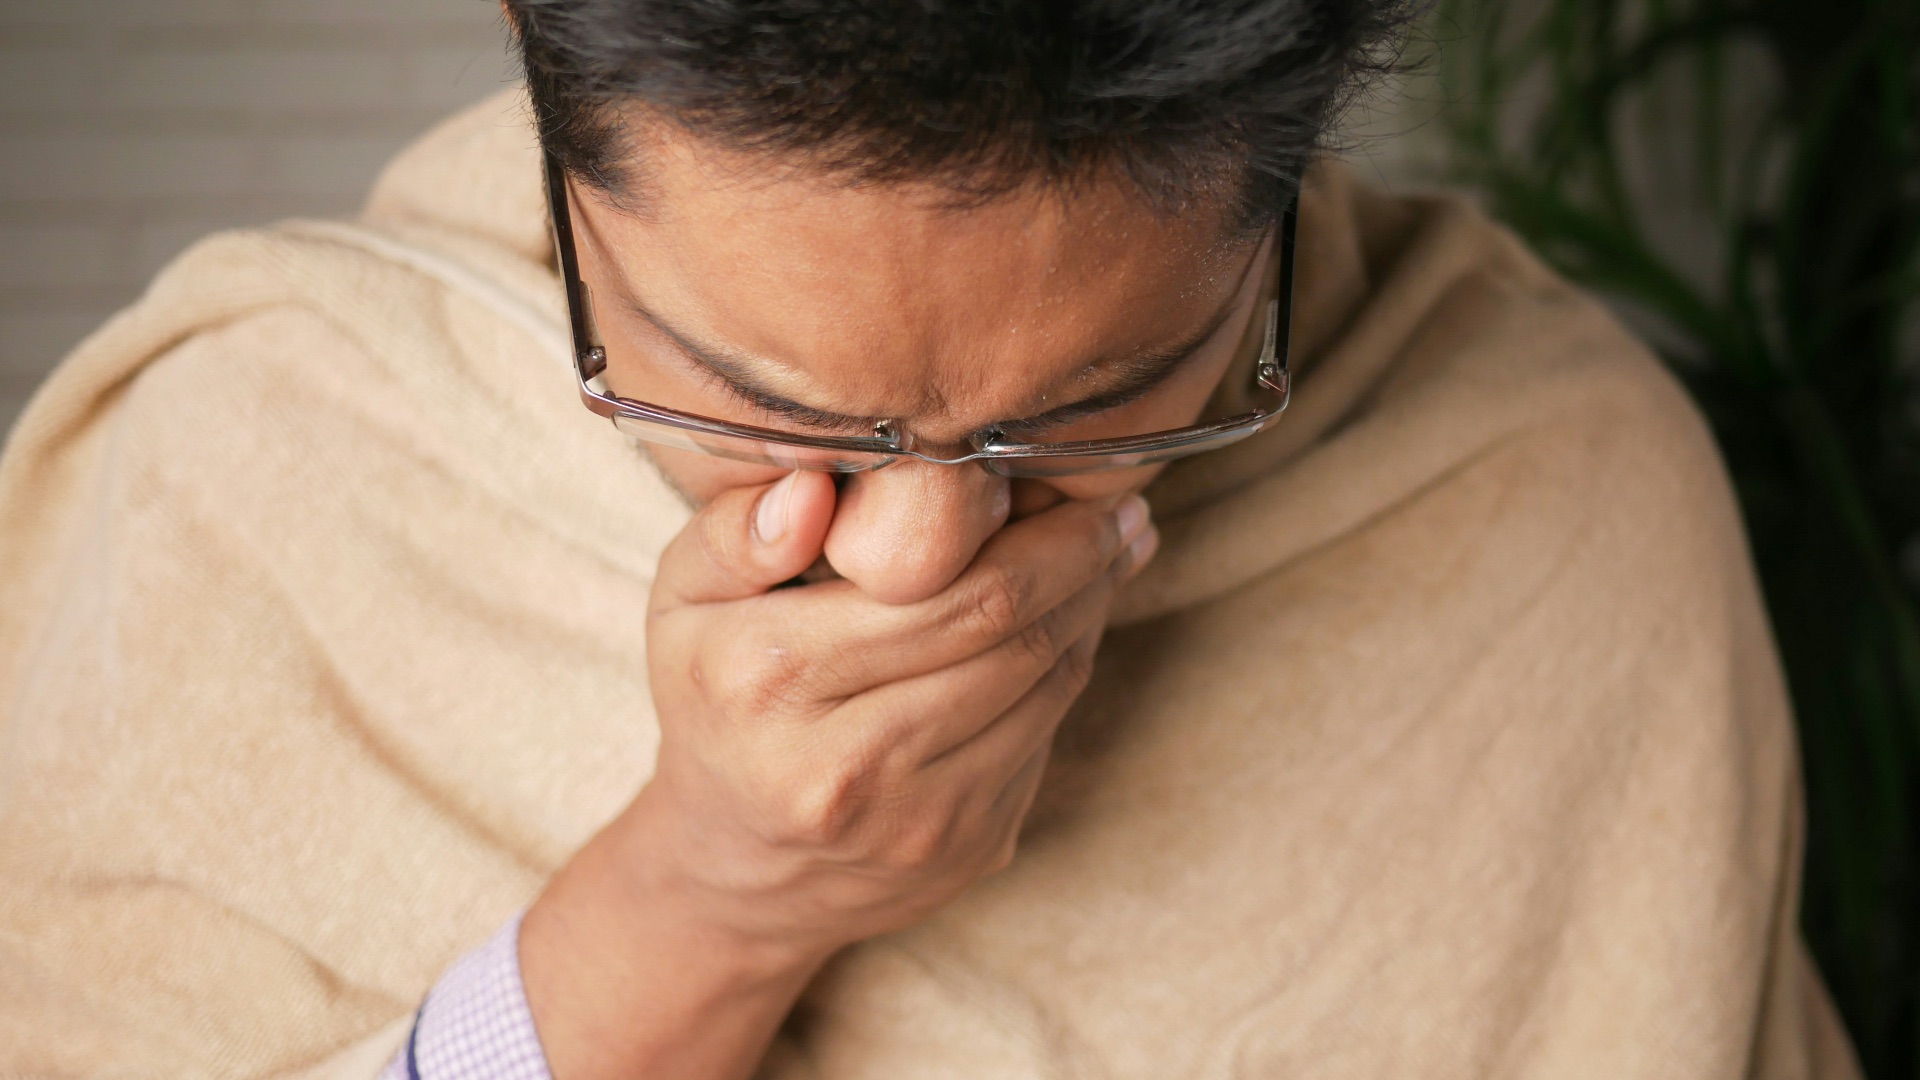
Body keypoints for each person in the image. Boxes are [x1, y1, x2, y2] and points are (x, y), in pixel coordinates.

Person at [0, 1, 1862, 1078]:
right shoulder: (243, 476)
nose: (915, 554)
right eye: (753, 398)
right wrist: (695, 908)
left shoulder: (1558, 495)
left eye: (1115, 392)